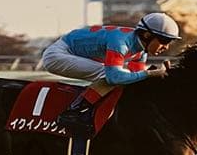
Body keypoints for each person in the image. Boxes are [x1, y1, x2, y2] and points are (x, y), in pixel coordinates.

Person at [40, 12, 181, 134]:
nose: (166, 47)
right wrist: (150, 74)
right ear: (147, 35)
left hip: (76, 54)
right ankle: (73, 112)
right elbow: (114, 78)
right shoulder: (120, 42)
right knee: (109, 74)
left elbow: (135, 78)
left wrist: (157, 74)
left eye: (170, 42)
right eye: (164, 41)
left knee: (124, 76)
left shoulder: (140, 51)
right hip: (58, 54)